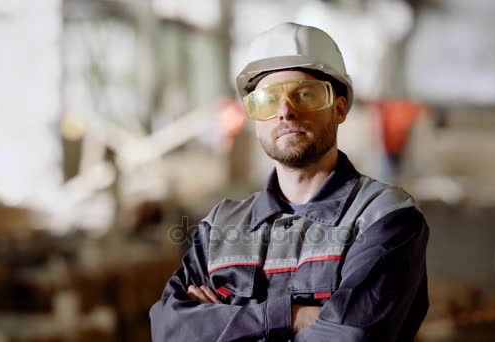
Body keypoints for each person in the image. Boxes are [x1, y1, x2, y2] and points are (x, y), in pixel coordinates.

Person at [150, 22, 429, 342]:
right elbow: (168, 330)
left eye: (305, 95)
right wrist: (293, 316)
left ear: (339, 108)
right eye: (267, 99)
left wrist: (222, 323)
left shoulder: (384, 217)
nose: (285, 111)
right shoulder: (219, 225)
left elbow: (351, 337)